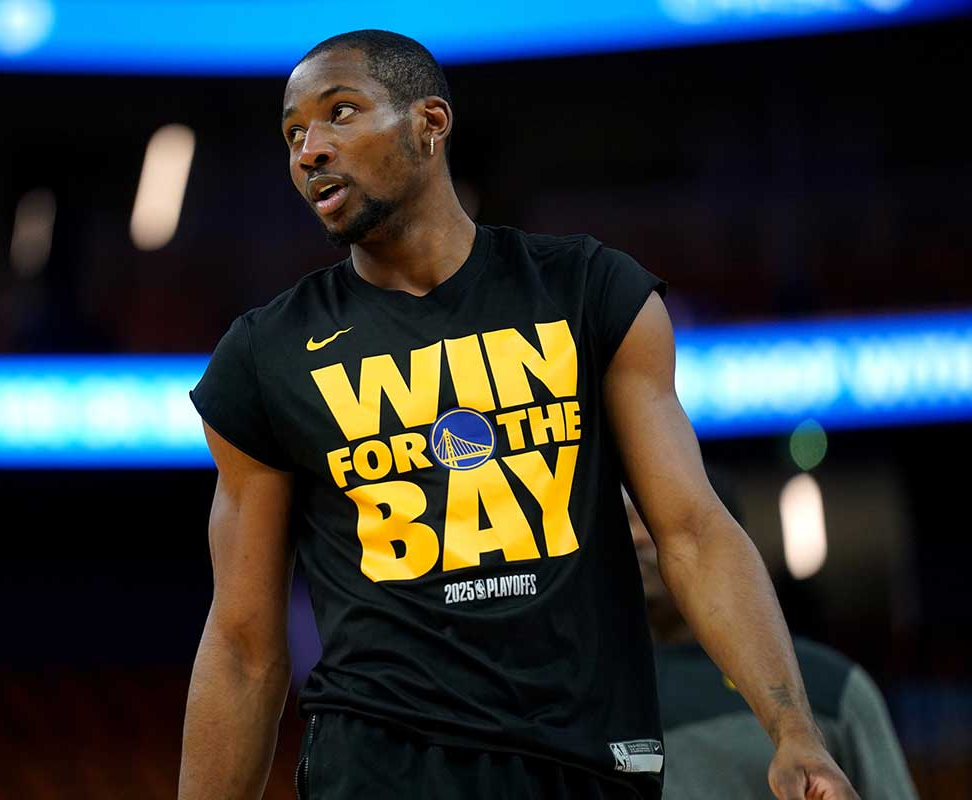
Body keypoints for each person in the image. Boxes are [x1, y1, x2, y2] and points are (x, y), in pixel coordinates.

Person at [181, 29, 857, 800]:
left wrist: (794, 730)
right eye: (294, 133)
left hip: (586, 758)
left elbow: (694, 532)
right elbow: (242, 644)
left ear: (430, 123)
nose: (310, 149)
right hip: (379, 768)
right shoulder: (266, 354)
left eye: (341, 113)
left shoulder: (590, 291)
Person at [626, 481, 917, 800]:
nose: (637, 537)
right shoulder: (602, 686)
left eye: (652, 521)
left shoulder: (828, 684)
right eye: (626, 521)